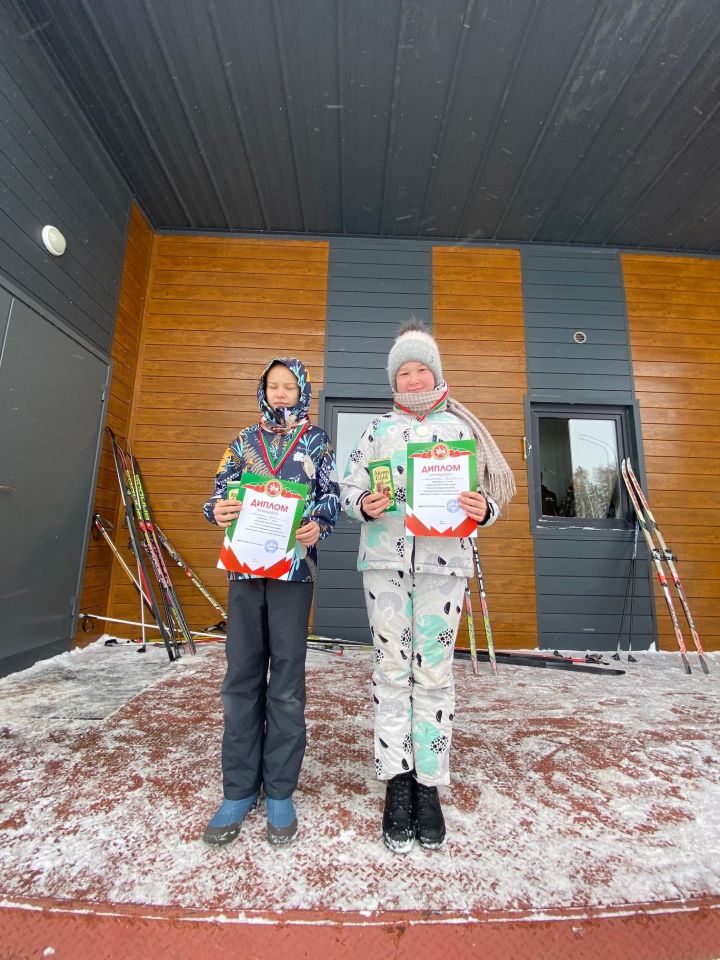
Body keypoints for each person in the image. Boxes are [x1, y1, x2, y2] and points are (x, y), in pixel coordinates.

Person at [340, 323, 515, 854]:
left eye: (421, 368)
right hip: (385, 568)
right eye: (404, 370)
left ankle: (428, 785)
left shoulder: (461, 431)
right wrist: (361, 503)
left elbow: (487, 494)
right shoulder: (375, 430)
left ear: (436, 374)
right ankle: (397, 780)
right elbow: (349, 485)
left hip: (444, 567)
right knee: (391, 670)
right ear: (394, 379)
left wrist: (484, 511)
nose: (413, 377)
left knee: (433, 674)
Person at [202, 357, 339, 847]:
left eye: (288, 386)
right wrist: (217, 510)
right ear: (263, 391)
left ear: (302, 391)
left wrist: (318, 525)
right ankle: (238, 789)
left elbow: (331, 497)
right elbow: (217, 494)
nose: (280, 393)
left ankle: (279, 790)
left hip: (292, 573)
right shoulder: (243, 441)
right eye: (272, 386)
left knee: (285, 681)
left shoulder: (317, 442)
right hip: (244, 570)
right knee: (240, 677)